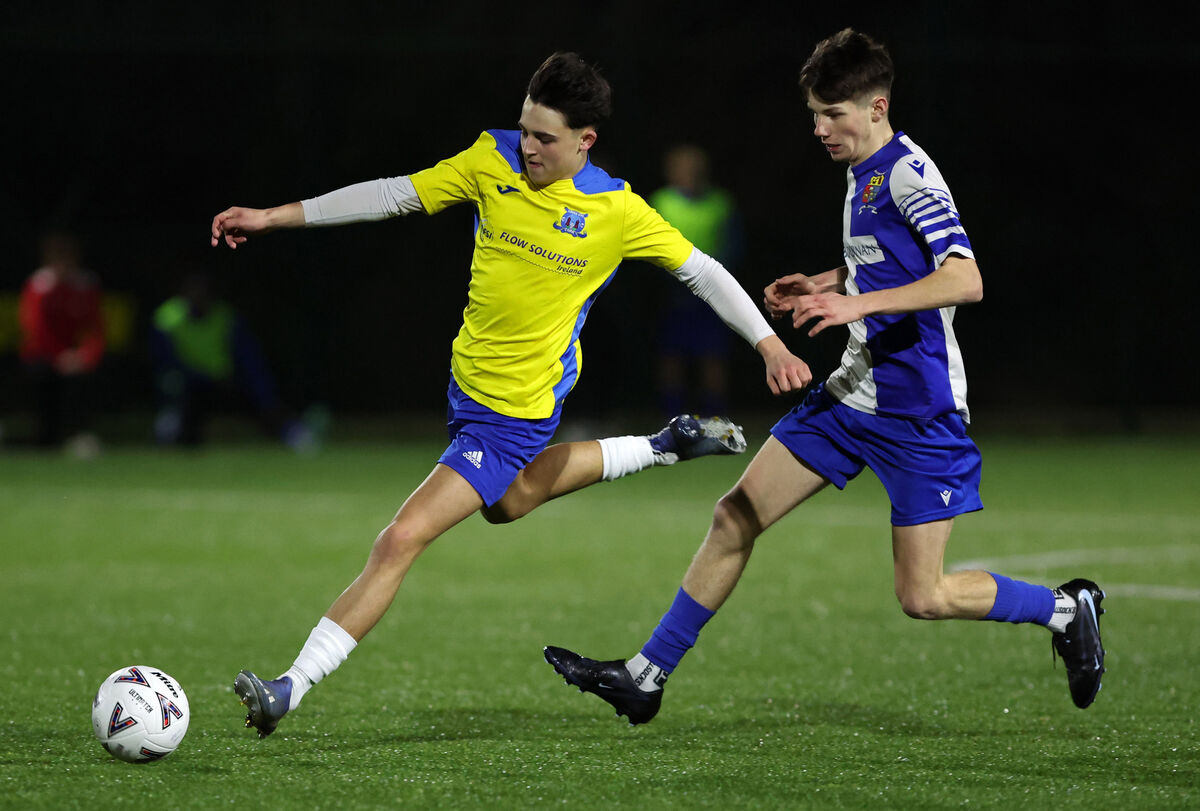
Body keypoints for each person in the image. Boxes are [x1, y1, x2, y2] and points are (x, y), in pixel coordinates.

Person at [210, 52, 812, 737]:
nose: (528, 146)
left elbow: (703, 272)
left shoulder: (614, 210)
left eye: (545, 138)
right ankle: (662, 445)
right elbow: (394, 193)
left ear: (585, 141)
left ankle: (289, 687)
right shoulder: (490, 158)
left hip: (513, 414)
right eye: (524, 128)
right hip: (466, 389)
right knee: (511, 501)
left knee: (400, 538)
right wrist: (273, 216)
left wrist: (770, 345)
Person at [543, 29, 1107, 724]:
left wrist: (854, 305)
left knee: (923, 596)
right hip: (850, 395)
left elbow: (966, 279)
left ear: (877, 107)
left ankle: (1064, 608)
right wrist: (823, 282)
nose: (819, 129)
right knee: (735, 514)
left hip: (918, 412)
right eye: (814, 114)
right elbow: (885, 261)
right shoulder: (861, 171)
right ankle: (645, 675)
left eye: (833, 114)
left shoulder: (909, 173)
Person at [150, 271, 315, 451]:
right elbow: (165, 362)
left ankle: (290, 431)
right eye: (193, 291)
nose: (198, 296)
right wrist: (202, 377)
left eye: (203, 292)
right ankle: (170, 429)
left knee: (258, 386)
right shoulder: (167, 319)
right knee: (172, 382)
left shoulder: (226, 317)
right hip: (188, 385)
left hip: (223, 383)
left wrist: (262, 392)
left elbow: (249, 358)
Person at [648, 144, 743, 416]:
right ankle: (672, 415)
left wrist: (713, 278)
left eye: (693, 168)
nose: (687, 173)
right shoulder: (661, 201)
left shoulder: (720, 203)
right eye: (681, 168)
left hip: (712, 292)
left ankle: (715, 416)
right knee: (671, 355)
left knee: (713, 355)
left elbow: (734, 245)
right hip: (672, 293)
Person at [17, 231, 105, 455]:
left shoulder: (86, 285)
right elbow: (36, 329)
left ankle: (79, 435)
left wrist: (85, 355)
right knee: (42, 377)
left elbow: (96, 329)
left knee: (84, 379)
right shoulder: (38, 286)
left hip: (75, 356)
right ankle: (44, 438)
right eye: (58, 258)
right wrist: (59, 356)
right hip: (42, 355)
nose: (63, 264)